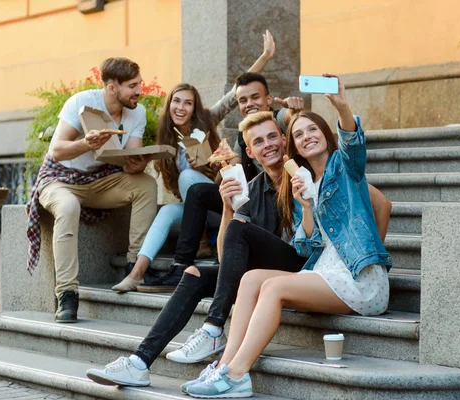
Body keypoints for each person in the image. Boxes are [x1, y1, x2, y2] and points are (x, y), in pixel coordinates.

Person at [183, 75, 392, 399]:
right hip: (324, 271)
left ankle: (238, 375)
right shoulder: (301, 185)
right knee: (252, 279)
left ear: (326, 133)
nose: (307, 136)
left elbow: (353, 144)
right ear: (293, 146)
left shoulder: (345, 169)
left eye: (313, 129)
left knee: (275, 286)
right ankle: (222, 367)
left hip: (358, 278)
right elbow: (305, 246)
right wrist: (306, 207)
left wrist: (341, 106)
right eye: (299, 134)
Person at [86, 111, 308, 387]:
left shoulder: (301, 173)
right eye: (260, 141)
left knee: (239, 231)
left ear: (284, 139)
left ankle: (214, 327)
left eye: (273, 136)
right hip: (262, 273)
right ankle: (139, 362)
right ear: (250, 152)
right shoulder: (252, 189)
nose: (269, 145)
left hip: (302, 267)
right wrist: (228, 207)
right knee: (193, 273)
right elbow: (225, 254)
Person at [110, 30, 290, 293]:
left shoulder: (207, 122)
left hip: (220, 202)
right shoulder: (164, 140)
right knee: (168, 211)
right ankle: (136, 272)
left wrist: (264, 57)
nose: (181, 108)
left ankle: (189, 256)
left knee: (190, 180)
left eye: (188, 103)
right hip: (196, 209)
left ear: (195, 108)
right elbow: (139, 163)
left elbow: (238, 94)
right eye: (177, 102)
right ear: (169, 105)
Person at [25, 57, 158, 323]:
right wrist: (86, 144)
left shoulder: (137, 112)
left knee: (146, 184)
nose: (139, 91)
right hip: (60, 179)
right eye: (132, 86)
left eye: (140, 84)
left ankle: (135, 265)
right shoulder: (81, 103)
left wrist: (138, 162)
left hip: (101, 180)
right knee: (68, 206)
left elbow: (128, 161)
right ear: (112, 88)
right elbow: (58, 150)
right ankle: (67, 294)